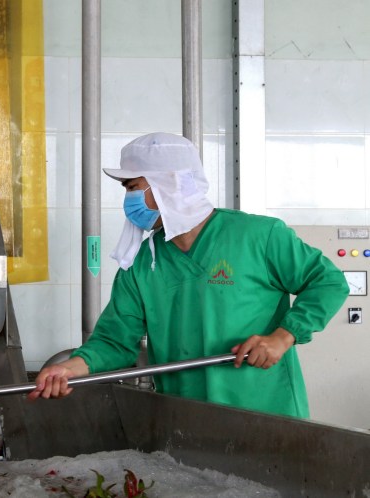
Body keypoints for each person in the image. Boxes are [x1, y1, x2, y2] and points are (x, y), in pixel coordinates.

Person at [28, 132, 349, 418]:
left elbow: (328, 281)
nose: (129, 199)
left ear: (169, 185)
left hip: (266, 414)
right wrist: (68, 369)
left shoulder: (258, 236)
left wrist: (282, 336)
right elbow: (114, 341)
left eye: (133, 187)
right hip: (186, 422)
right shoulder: (143, 263)